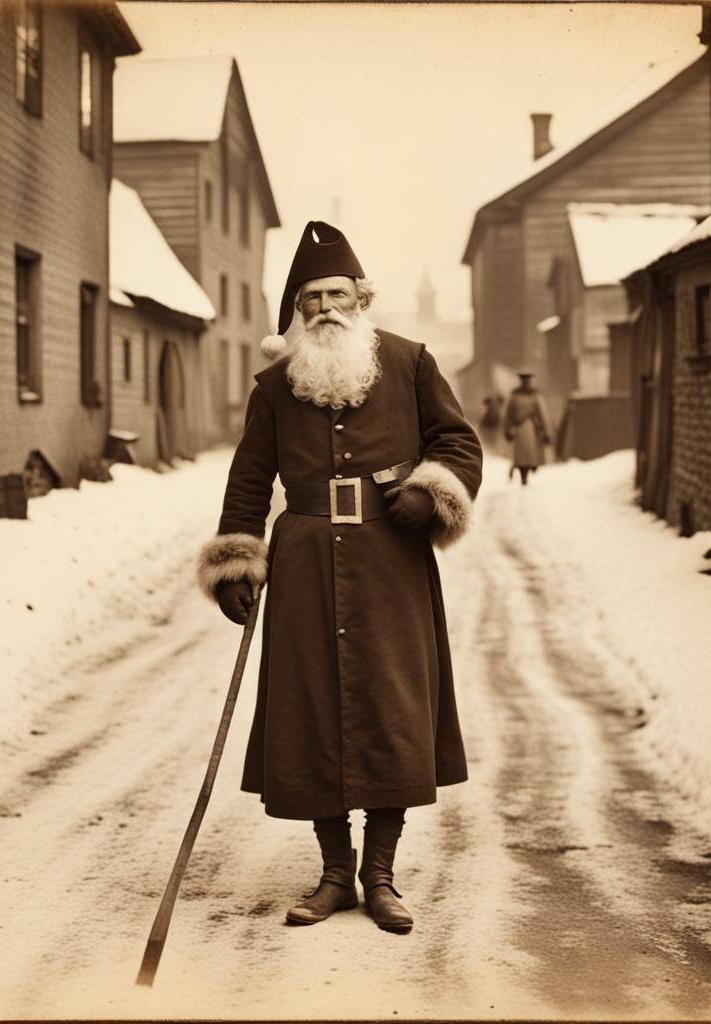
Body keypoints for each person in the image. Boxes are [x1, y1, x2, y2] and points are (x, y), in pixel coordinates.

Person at [197, 221, 483, 933]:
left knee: (391, 712)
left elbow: (459, 442)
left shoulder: (411, 363)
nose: (325, 309)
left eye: (336, 294)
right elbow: (249, 480)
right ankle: (333, 876)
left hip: (392, 561)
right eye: (311, 298)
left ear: (361, 298)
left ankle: (380, 876)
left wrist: (431, 493)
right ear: (296, 310)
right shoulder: (274, 387)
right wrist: (237, 558)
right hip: (302, 562)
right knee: (314, 713)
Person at [504, 368, 551, 486]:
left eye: (527, 380)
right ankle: (522, 474)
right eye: (523, 380)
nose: (526, 382)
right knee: (520, 457)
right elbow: (508, 414)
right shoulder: (514, 395)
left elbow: (542, 414)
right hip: (518, 428)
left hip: (531, 428)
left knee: (531, 454)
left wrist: (546, 431)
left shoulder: (535, 395)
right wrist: (507, 430)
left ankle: (531, 467)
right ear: (521, 380)